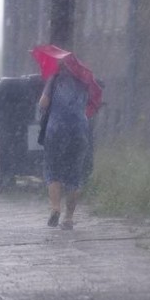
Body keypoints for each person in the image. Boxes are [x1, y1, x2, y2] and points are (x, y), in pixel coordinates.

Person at [38, 61, 90, 230]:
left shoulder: (55, 79)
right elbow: (88, 106)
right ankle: (68, 218)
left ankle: (55, 208)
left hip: (56, 130)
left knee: (53, 170)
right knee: (74, 175)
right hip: (79, 131)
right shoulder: (84, 82)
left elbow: (43, 103)